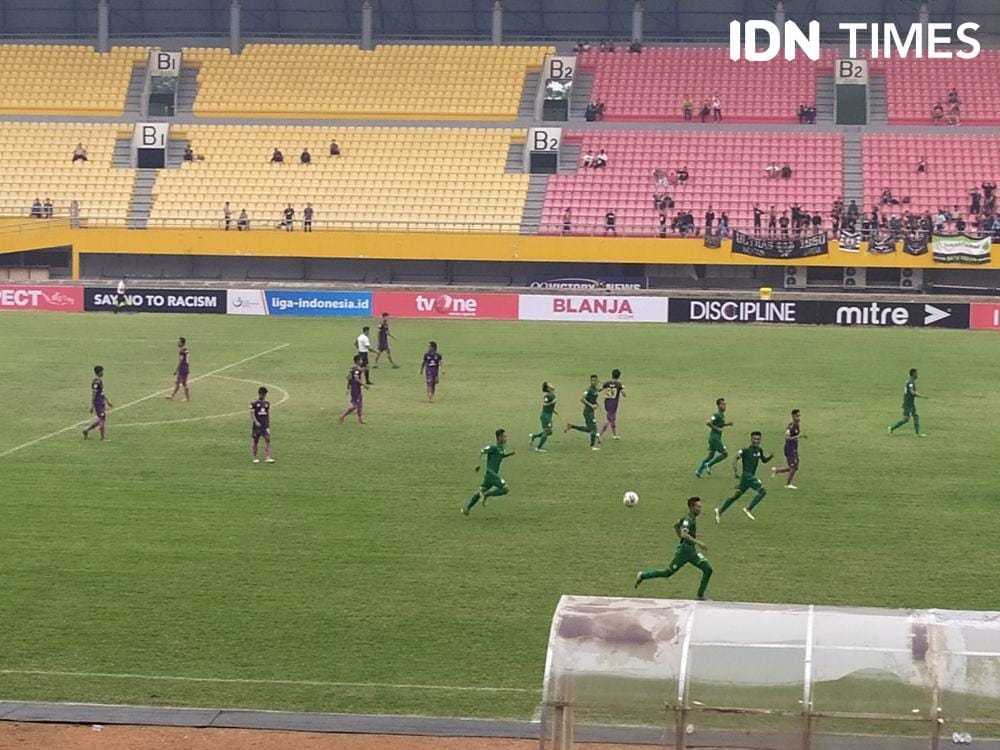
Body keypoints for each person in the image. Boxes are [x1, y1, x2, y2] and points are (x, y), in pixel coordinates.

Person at [634, 496, 712, 600]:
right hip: (684, 552)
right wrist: (698, 542)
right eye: (698, 507)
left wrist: (686, 538)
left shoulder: (690, 518)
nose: (699, 509)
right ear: (691, 507)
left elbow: (676, 525)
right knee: (667, 573)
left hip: (692, 552)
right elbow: (684, 534)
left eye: (700, 507)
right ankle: (642, 576)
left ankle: (700, 595)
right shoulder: (688, 520)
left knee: (708, 570)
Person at [715, 431, 773, 522]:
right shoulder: (745, 450)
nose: (756, 441)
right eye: (754, 439)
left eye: (758, 439)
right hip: (747, 476)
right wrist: (736, 471)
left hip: (747, 478)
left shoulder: (759, 450)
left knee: (736, 496)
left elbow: (764, 460)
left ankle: (719, 511)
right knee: (763, 491)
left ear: (760, 440)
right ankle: (748, 509)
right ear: (751, 439)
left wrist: (770, 457)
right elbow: (735, 458)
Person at [462, 428, 515, 516]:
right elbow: (482, 452)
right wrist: (478, 464)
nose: (506, 438)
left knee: (481, 491)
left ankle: (467, 509)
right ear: (499, 437)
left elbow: (500, 456)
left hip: (490, 476)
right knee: (505, 489)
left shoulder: (501, 448)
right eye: (504, 437)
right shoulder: (493, 447)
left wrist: (510, 454)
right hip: (491, 474)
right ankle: (486, 495)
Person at [564, 374, 602, 451]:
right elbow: (582, 399)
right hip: (588, 412)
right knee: (594, 428)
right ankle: (592, 446)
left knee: (588, 429)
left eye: (595, 380)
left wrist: (597, 404)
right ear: (590, 381)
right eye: (592, 381)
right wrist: (591, 405)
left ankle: (571, 426)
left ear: (597, 381)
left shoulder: (595, 390)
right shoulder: (588, 390)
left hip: (591, 411)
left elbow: (594, 396)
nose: (593, 382)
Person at [695, 397, 731, 478]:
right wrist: (716, 429)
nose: (724, 406)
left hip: (715, 438)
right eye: (722, 404)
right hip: (715, 438)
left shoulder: (721, 415)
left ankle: (699, 470)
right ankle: (709, 465)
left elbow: (720, 424)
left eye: (725, 404)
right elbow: (708, 422)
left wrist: (727, 424)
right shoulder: (716, 414)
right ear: (718, 405)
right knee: (725, 454)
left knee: (711, 455)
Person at [771, 409, 805, 489]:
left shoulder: (797, 425)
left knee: (794, 467)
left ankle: (776, 470)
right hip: (790, 449)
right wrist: (797, 437)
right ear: (793, 416)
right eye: (797, 416)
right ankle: (788, 484)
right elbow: (787, 438)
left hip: (794, 448)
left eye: (799, 416)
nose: (798, 418)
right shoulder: (791, 426)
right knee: (793, 467)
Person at [888, 368, 927, 436]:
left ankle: (917, 434)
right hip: (908, 403)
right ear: (913, 374)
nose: (917, 375)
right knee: (906, 419)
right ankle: (892, 428)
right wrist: (922, 396)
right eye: (916, 373)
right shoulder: (910, 382)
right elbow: (912, 392)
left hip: (910, 402)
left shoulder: (911, 381)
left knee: (916, 416)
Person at [82, 365, 112, 440]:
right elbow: (94, 394)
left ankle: (86, 430)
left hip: (101, 402)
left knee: (101, 418)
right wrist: (92, 405)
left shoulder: (99, 381)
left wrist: (107, 400)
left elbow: (101, 392)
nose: (103, 373)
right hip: (98, 403)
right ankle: (103, 438)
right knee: (102, 419)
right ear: (99, 372)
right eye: (102, 371)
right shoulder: (96, 382)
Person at [338, 355, 368, 425]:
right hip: (355, 389)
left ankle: (360, 420)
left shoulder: (353, 368)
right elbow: (356, 379)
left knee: (360, 404)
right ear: (357, 361)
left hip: (355, 388)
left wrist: (348, 387)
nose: (362, 361)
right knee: (355, 405)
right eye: (361, 360)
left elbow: (348, 377)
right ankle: (342, 416)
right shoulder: (356, 370)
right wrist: (364, 385)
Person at [529, 382, 557, 452]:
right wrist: (552, 402)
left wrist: (553, 410)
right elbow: (544, 404)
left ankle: (533, 436)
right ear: (548, 388)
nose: (552, 385)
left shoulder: (552, 395)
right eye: (550, 384)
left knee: (550, 432)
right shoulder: (548, 396)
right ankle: (538, 448)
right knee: (547, 431)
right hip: (545, 416)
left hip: (548, 415)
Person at [599, 369, 625, 440]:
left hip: (606, 403)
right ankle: (600, 434)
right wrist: (622, 389)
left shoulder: (607, 383)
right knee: (609, 419)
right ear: (619, 376)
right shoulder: (619, 384)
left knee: (612, 418)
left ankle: (614, 435)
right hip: (613, 403)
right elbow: (624, 394)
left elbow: (599, 390)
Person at [250, 386, 274, 463]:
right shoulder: (254, 403)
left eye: (265, 395)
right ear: (259, 394)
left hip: (264, 426)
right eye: (263, 395)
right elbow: (252, 413)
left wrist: (268, 426)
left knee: (268, 439)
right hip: (257, 426)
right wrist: (256, 421)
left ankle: (268, 457)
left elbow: (267, 415)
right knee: (255, 441)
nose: (264, 396)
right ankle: (255, 458)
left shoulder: (267, 403)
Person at [166, 337, 190, 402]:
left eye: (179, 342)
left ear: (182, 343)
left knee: (184, 383)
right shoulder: (185, 349)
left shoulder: (181, 351)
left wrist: (176, 370)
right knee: (177, 382)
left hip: (183, 369)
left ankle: (187, 398)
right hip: (185, 367)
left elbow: (181, 360)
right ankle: (172, 396)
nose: (178, 343)